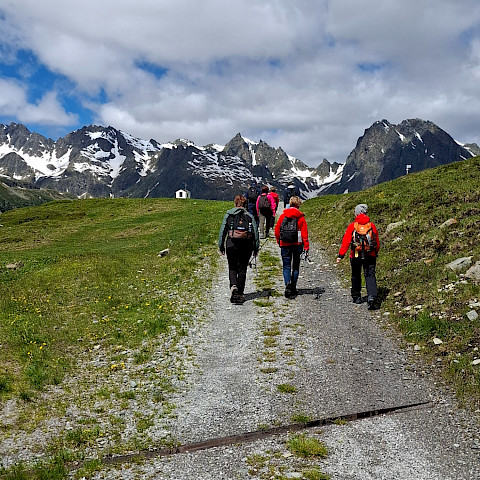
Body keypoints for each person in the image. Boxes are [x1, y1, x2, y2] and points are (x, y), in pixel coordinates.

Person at [336, 203, 380, 310]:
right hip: (370, 255)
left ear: (357, 213)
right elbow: (376, 242)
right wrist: (375, 252)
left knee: (356, 274)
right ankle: (371, 297)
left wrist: (340, 255)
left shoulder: (352, 226)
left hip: (355, 254)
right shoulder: (371, 225)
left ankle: (356, 297)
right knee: (370, 275)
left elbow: (346, 242)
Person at [219, 195, 260, 304]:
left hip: (231, 244)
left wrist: (221, 245)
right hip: (246, 245)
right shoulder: (249, 216)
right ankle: (240, 293)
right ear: (245, 204)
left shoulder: (229, 214)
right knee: (242, 268)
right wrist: (256, 248)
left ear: (235, 204)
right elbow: (255, 233)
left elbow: (223, 230)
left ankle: (234, 288)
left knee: (232, 267)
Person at [274, 196, 309, 298]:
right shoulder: (301, 217)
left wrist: (278, 241)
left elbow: (277, 230)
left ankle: (287, 285)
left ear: (290, 203)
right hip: (297, 245)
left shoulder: (283, 216)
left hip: (285, 244)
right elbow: (304, 234)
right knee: (295, 266)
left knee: (286, 266)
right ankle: (293, 287)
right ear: (299, 204)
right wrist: (306, 246)